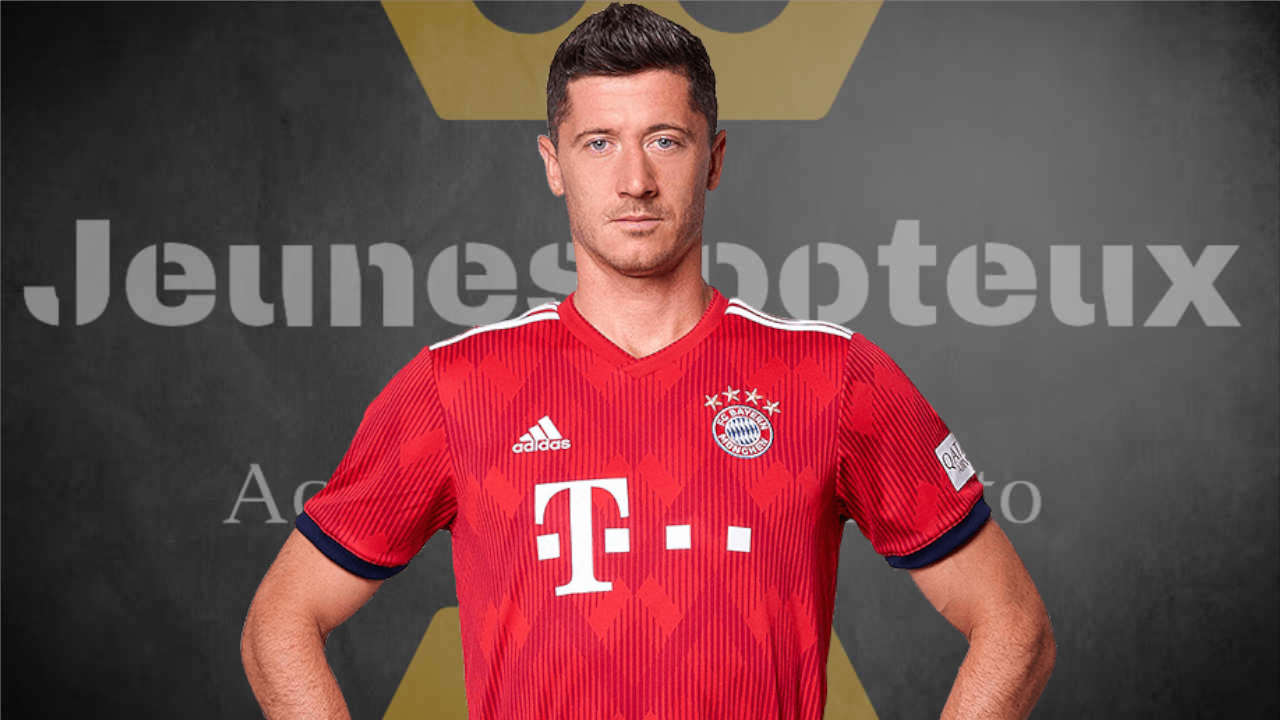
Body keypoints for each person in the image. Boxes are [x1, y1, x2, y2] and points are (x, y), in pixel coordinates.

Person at [241, 4, 1055, 718]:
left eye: (665, 140)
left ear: (715, 158)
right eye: (598, 143)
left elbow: (1015, 627)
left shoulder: (832, 378)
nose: (634, 180)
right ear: (553, 164)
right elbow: (280, 622)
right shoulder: (457, 386)